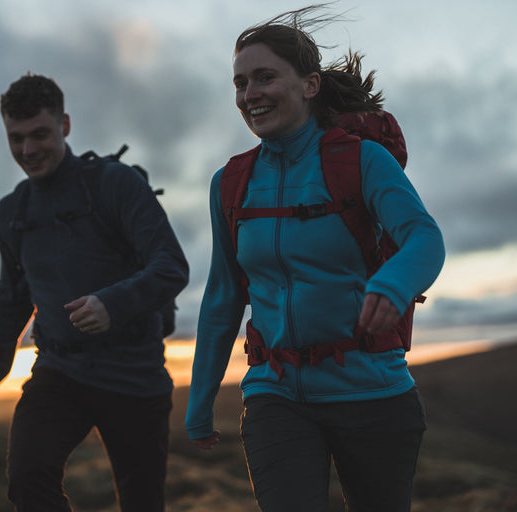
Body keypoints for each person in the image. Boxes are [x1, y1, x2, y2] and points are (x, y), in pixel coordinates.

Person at [185, 6, 445, 512]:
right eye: (240, 83)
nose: (249, 94)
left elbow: (423, 236)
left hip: (372, 392)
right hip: (275, 396)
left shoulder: (362, 160)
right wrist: (199, 401)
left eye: (264, 77)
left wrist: (392, 285)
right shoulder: (230, 183)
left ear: (309, 85)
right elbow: (222, 296)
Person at [0, 73, 189, 511]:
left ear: (65, 125)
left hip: (134, 374)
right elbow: (11, 300)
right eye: (16, 138)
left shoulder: (115, 184)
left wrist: (112, 304)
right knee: (28, 481)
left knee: (142, 504)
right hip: (60, 372)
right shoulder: (12, 212)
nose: (28, 150)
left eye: (40, 134)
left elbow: (172, 266)